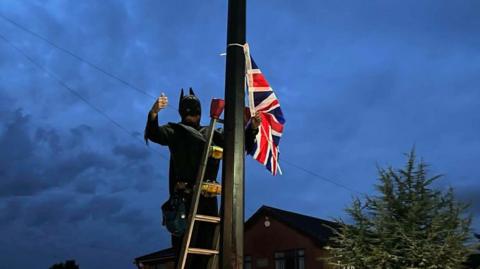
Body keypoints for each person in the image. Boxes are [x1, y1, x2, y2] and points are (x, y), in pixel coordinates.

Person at [144, 88, 260, 268]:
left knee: (205, 251)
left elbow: (239, 144)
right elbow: (154, 134)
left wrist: (252, 128)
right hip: (184, 200)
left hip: (206, 200)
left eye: (194, 112)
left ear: (198, 113)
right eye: (188, 112)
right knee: (185, 251)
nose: (191, 116)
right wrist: (153, 113)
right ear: (184, 113)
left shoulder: (211, 132)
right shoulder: (175, 131)